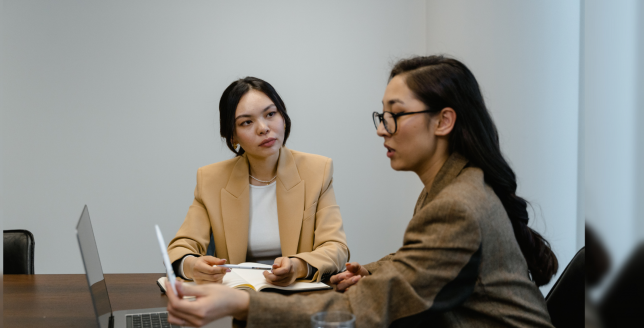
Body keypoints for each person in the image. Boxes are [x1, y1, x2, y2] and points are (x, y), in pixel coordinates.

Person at [164, 56, 559, 327]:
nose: (381, 128)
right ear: (232, 135)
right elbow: (413, 263)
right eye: (248, 122)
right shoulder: (453, 185)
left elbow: (363, 297)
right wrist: (371, 271)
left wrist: (242, 302)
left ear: (443, 121)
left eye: (395, 115)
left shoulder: (457, 203)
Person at [167, 77, 349, 287]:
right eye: (247, 122)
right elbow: (181, 247)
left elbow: (336, 247)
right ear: (233, 136)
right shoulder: (211, 180)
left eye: (271, 114)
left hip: (298, 298)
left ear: (283, 116)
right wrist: (191, 265)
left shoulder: (318, 170)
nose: (263, 128)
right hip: (236, 301)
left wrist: (298, 266)